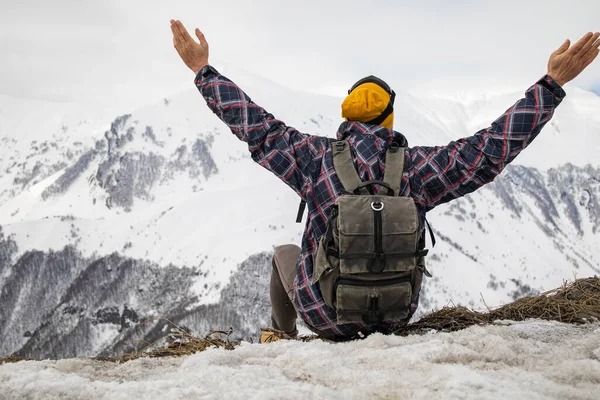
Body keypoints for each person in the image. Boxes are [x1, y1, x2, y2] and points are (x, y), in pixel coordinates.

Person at [170, 19, 600, 342]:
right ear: (388, 118)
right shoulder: (417, 168)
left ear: (346, 118)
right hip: (395, 316)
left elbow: (255, 126)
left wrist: (203, 70)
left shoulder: (313, 158)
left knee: (284, 253)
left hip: (327, 318)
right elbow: (488, 151)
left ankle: (282, 338)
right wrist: (552, 85)